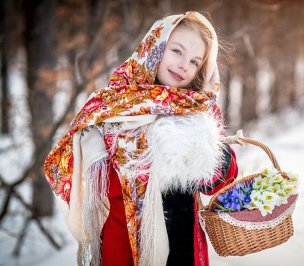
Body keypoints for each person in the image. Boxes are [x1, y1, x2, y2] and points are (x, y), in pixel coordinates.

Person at [44, 11, 239, 266]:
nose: (183, 65)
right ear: (154, 46)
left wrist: (205, 154)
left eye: (194, 61)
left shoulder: (198, 109)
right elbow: (92, 179)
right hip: (121, 238)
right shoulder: (112, 103)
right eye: (177, 51)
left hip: (181, 242)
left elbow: (219, 181)